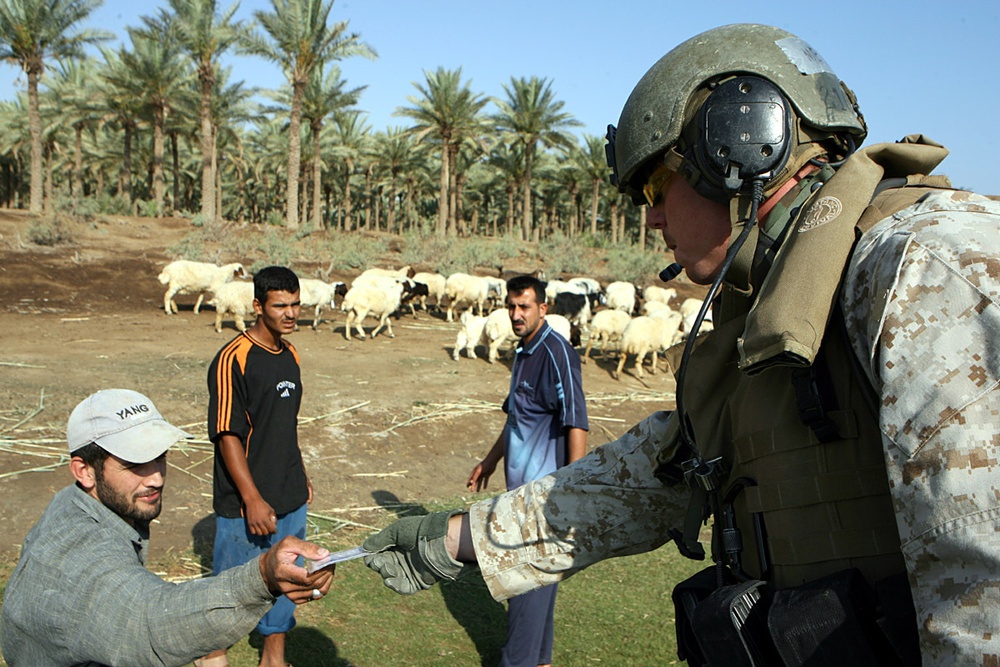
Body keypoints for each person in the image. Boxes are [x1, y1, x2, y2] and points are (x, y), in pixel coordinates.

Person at [362, 23, 1000, 666]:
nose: (652, 218)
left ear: (739, 146)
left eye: (652, 188)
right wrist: (455, 539)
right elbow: (655, 476)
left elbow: (985, 585)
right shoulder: (770, 306)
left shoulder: (929, 270)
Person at [0, 388, 334, 667]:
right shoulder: (83, 551)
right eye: (134, 464)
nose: (156, 477)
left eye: (159, 456)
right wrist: (260, 577)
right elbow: (147, 622)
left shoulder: (72, 505)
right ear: (84, 470)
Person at [465, 275, 588, 667]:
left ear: (542, 309)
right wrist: (491, 459)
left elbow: (577, 423)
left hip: (542, 496)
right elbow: (517, 417)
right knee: (538, 580)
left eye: (525, 307)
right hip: (517, 493)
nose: (517, 315)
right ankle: (540, 660)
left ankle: (516, 661)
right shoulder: (522, 352)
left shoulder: (557, 353)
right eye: (512, 307)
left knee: (522, 581)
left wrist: (571, 489)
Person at [202, 266, 312, 667]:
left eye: (295, 304)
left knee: (287, 578)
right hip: (245, 502)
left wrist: (301, 475)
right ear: (257, 306)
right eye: (280, 305)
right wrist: (251, 498)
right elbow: (226, 434)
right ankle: (213, 656)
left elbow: (285, 423)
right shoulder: (234, 357)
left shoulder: (292, 353)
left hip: (290, 494)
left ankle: (274, 657)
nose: (290, 313)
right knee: (230, 588)